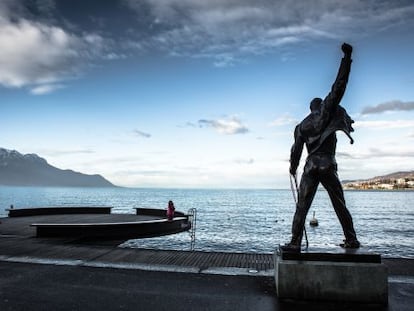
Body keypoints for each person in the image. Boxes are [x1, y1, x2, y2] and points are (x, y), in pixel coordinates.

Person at [282, 42, 360, 252]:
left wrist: (292, 168)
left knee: (302, 206)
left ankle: (295, 242)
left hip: (310, 166)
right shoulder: (326, 112)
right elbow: (339, 86)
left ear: (309, 108)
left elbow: (295, 151)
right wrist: (346, 58)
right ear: (321, 106)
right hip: (326, 164)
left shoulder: (301, 126)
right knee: (339, 204)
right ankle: (351, 239)